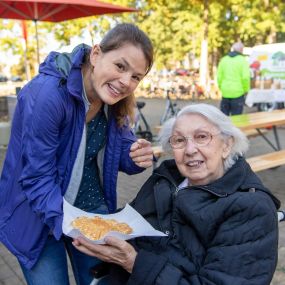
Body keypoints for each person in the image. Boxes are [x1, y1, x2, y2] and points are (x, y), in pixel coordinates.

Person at [0, 23, 154, 285]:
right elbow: (36, 179)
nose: (126, 82)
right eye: (120, 66)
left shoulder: (115, 101)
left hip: (90, 207)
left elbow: (122, 153)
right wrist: (77, 225)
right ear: (95, 55)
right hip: (37, 215)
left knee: (100, 281)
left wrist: (135, 157)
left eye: (136, 76)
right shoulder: (47, 95)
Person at [73, 103, 280, 285]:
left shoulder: (251, 209)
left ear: (227, 145)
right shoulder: (167, 179)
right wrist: (97, 226)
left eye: (201, 137)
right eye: (179, 140)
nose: (190, 150)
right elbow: (133, 221)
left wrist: (133, 262)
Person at [217, 42, 251, 115]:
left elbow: (219, 76)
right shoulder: (242, 60)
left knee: (224, 118)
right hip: (238, 93)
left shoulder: (224, 59)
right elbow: (245, 77)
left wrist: (221, 87)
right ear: (241, 50)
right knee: (237, 119)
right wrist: (246, 89)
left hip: (225, 92)